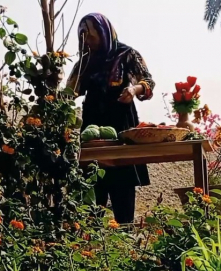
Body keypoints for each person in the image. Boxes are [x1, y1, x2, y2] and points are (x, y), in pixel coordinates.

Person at [66, 13, 155, 224]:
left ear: (104, 33)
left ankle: (127, 239)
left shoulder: (127, 55)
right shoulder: (85, 62)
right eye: (83, 38)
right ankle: (92, 246)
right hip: (92, 130)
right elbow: (69, 93)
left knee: (122, 188)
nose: (87, 42)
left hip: (121, 126)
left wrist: (133, 90)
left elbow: (148, 82)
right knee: (91, 191)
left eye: (91, 36)